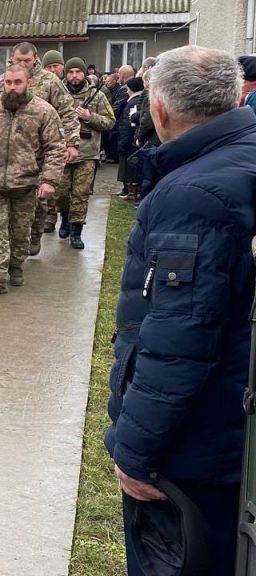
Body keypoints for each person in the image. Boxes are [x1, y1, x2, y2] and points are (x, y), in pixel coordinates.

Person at [105, 46, 256, 576]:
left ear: (160, 110)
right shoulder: (241, 158)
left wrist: (136, 451)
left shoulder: (193, 193)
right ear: (238, 95)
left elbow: (178, 340)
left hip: (195, 447)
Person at [0, 63, 65, 297]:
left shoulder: (43, 111)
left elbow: (55, 147)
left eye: (17, 83)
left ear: (28, 83)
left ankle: (16, 265)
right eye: (8, 83)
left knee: (21, 230)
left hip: (26, 183)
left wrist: (49, 180)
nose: (12, 88)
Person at [2, 43, 79, 257]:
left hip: (40, 152)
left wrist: (71, 143)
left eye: (27, 61)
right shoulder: (4, 81)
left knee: (38, 201)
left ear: (35, 58)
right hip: (9, 151)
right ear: (12, 58)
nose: (23, 64)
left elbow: (67, 112)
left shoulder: (50, 81)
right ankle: (12, 246)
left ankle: (34, 235)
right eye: (18, 60)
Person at [54, 58, 114, 249]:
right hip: (61, 153)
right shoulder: (58, 93)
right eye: (70, 72)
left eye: (78, 72)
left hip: (87, 154)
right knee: (61, 194)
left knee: (81, 194)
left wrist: (90, 117)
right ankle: (64, 218)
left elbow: (110, 122)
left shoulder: (97, 96)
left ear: (84, 74)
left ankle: (76, 231)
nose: (74, 76)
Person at [116, 77, 145, 198]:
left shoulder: (133, 103)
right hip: (130, 139)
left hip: (129, 141)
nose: (126, 91)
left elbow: (130, 124)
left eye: (128, 88)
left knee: (128, 167)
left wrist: (124, 142)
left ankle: (129, 190)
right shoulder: (136, 101)